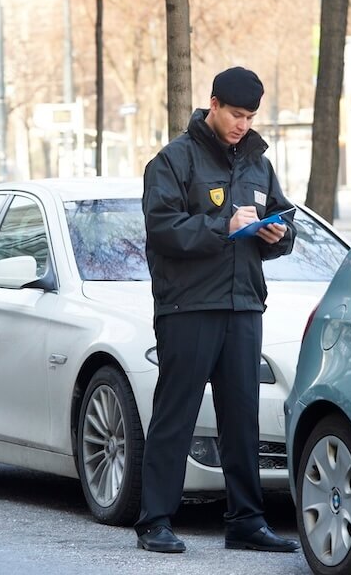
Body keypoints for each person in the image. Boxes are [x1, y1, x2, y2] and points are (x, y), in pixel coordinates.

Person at [135, 66, 300, 554]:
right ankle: (155, 521)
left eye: (250, 116)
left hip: (244, 304)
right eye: (235, 114)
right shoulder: (172, 161)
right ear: (213, 104)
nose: (242, 124)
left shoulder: (258, 164)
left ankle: (246, 521)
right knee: (176, 413)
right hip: (187, 305)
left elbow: (280, 218)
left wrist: (279, 235)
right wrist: (222, 227)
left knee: (241, 417)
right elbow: (163, 228)